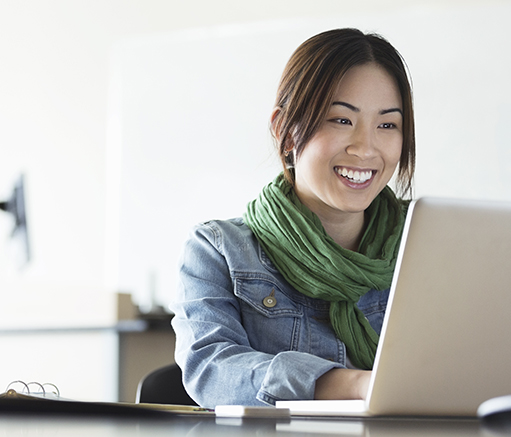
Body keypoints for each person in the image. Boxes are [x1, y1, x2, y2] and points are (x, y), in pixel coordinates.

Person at [170, 28, 416, 408]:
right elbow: (211, 369)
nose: (365, 148)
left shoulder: (425, 244)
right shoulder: (218, 249)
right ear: (285, 131)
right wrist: (350, 385)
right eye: (341, 120)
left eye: (387, 125)